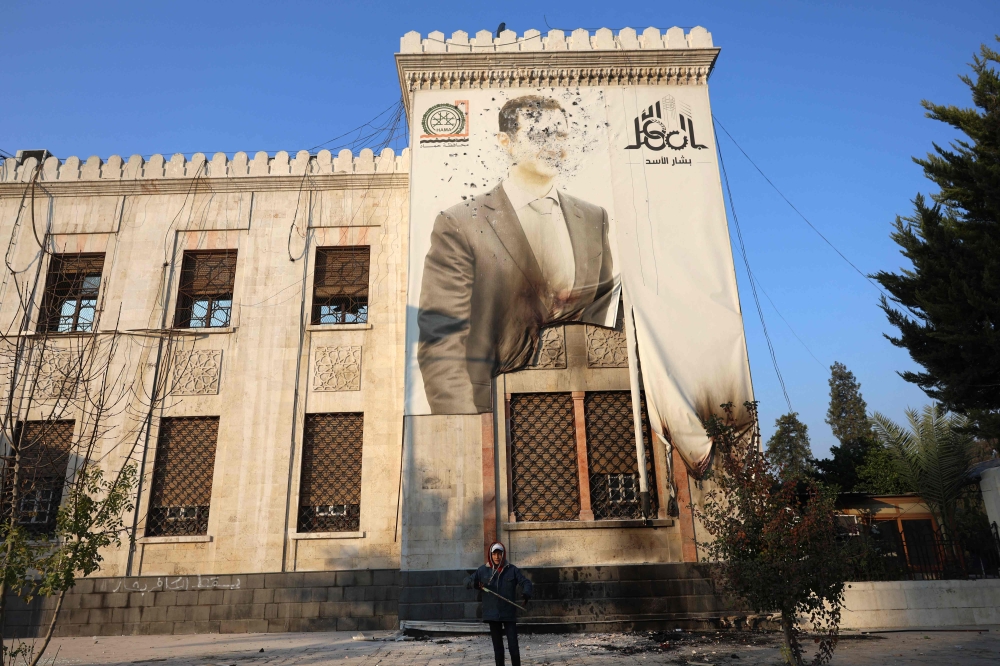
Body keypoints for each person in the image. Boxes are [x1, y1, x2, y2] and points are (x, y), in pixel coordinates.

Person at [418, 94, 618, 414]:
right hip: (499, 414)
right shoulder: (461, 223)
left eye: (561, 135)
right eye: (539, 135)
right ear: (506, 142)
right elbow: (442, 337)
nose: (553, 145)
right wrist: (466, 429)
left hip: (588, 411)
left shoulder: (593, 218)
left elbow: (598, 319)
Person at [467, 542, 533, 666]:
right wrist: (474, 584)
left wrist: (526, 593)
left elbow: (526, 582)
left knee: (513, 646)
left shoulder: (512, 570)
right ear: (490, 555)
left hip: (508, 613)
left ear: (503, 554)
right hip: (492, 614)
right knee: (498, 648)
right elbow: (467, 581)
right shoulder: (482, 570)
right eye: (494, 554)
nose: (497, 557)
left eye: (499, 553)